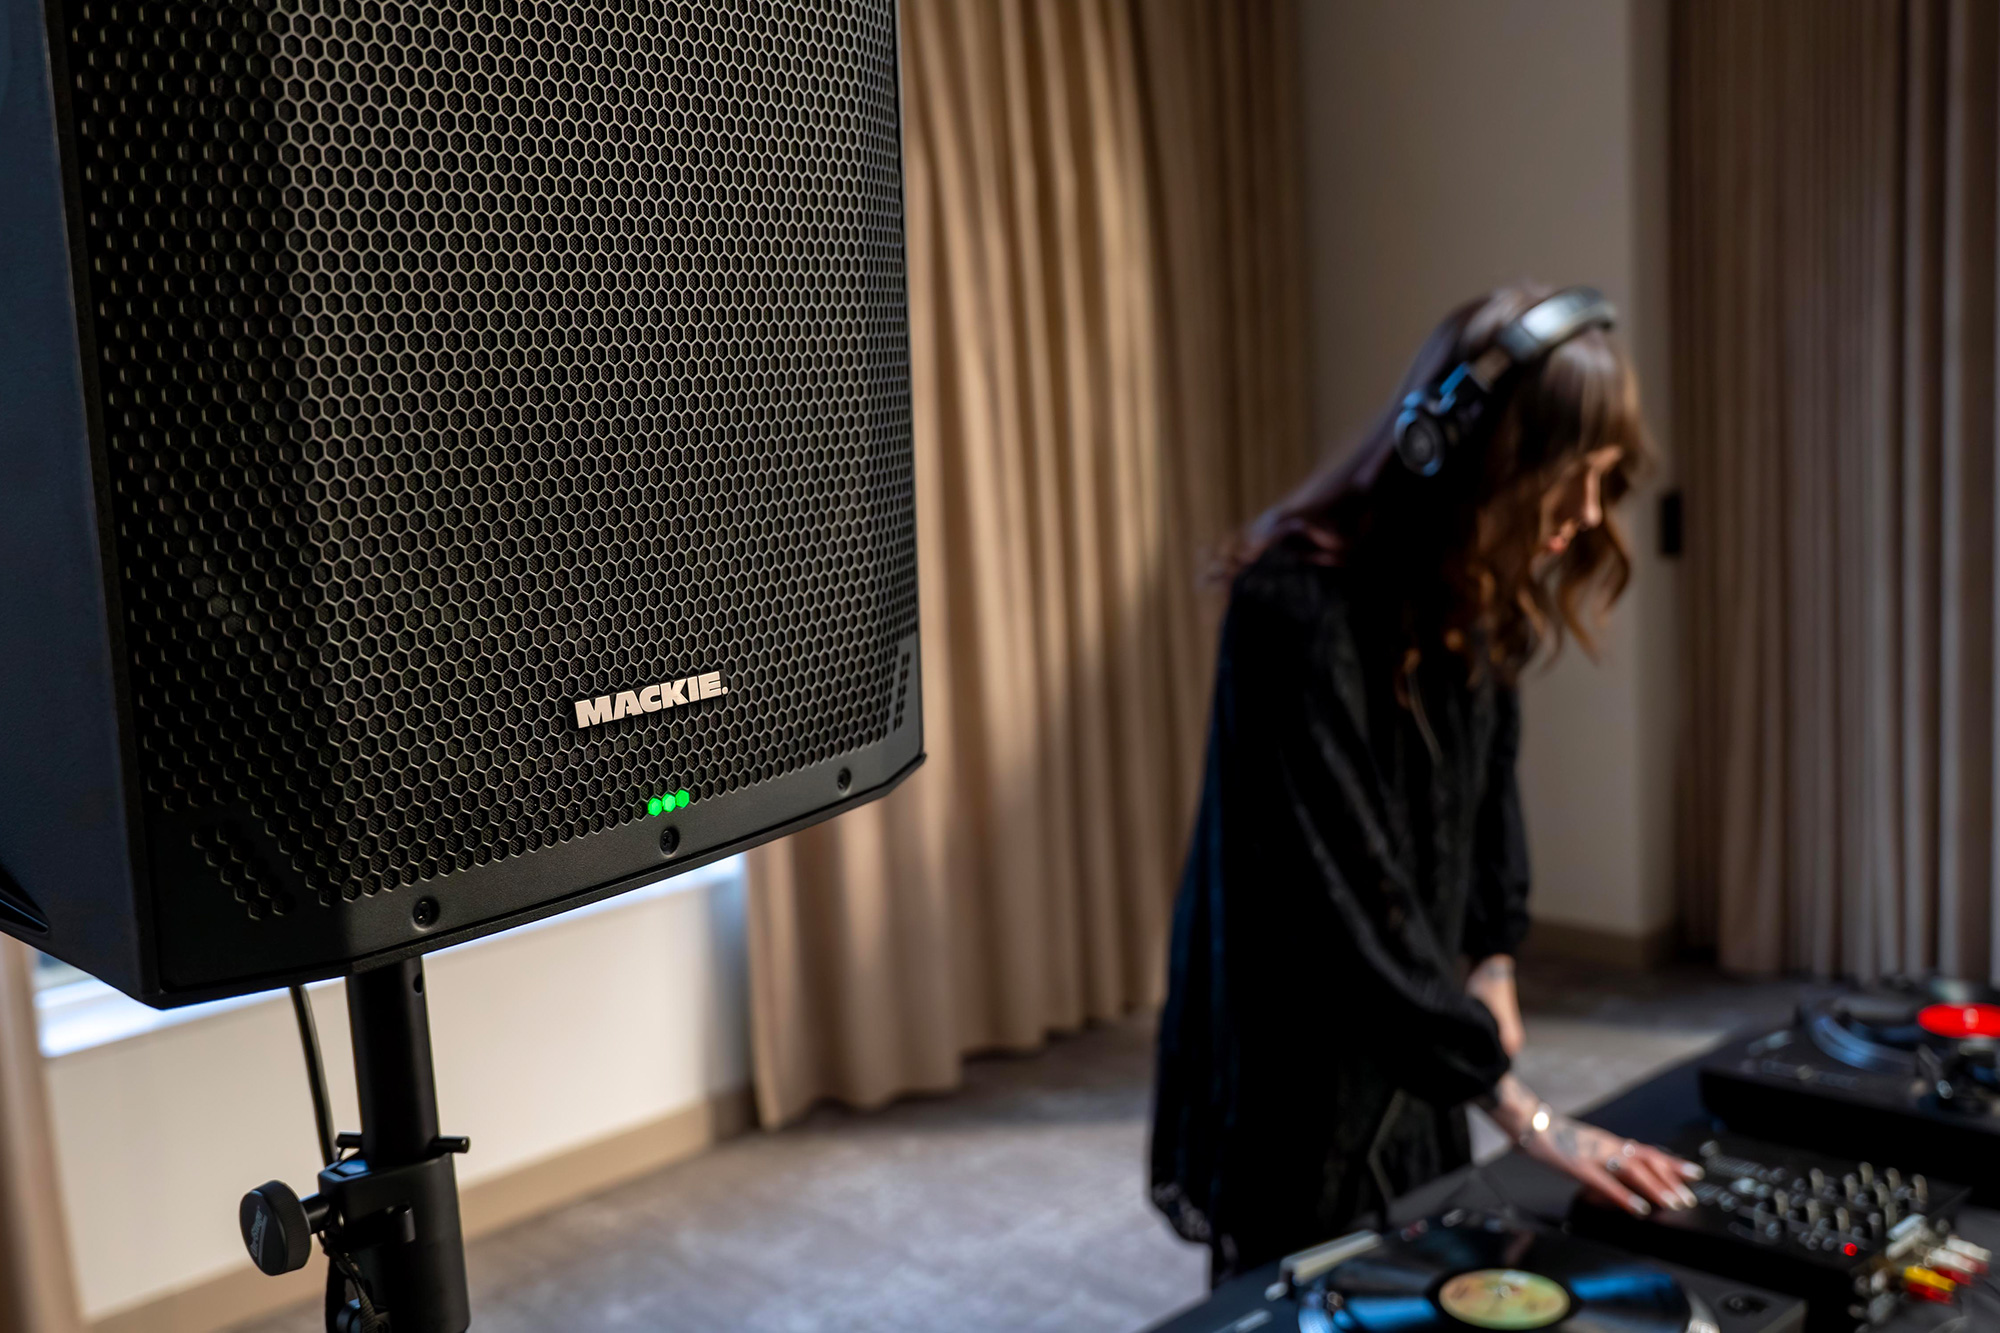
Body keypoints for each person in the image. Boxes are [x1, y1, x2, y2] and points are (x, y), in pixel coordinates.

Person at [1148, 284, 1700, 1286]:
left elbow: (1490, 803)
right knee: (1304, 1296)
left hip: (1416, 1039)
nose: (1586, 515)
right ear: (1463, 450)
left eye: (1602, 479)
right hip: (1301, 1062)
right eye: (1566, 478)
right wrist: (1524, 1111)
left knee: (1419, 1273)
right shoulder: (1290, 611)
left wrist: (1491, 960)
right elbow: (1340, 903)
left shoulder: (1472, 587)